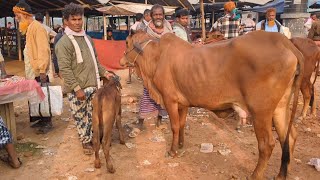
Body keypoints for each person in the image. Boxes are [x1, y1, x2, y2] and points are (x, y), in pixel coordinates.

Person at [55, 3, 114, 155]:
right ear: (66, 21)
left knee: (93, 115)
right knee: (81, 118)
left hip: (92, 85)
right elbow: (65, 69)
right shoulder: (63, 43)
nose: (77, 22)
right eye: (73, 19)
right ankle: (85, 141)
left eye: (79, 19)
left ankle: (94, 137)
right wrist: (77, 88)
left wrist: (105, 73)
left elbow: (95, 61)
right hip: (78, 90)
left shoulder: (87, 38)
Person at [13, 0, 53, 134]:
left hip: (39, 71)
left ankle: (47, 123)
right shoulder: (30, 28)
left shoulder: (37, 27)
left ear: (24, 14)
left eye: (17, 15)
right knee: (36, 96)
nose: (16, 18)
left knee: (43, 96)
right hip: (33, 71)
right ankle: (40, 120)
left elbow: (43, 50)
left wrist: (42, 70)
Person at [132, 4, 172, 135]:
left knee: (162, 96)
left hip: (165, 69)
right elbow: (135, 44)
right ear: (152, 16)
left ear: (163, 15)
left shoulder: (169, 28)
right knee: (147, 94)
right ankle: (140, 122)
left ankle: (159, 121)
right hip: (150, 69)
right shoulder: (144, 28)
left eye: (160, 14)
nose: (158, 17)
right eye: (155, 15)